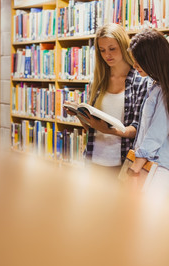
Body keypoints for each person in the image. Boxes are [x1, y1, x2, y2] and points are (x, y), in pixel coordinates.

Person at [65, 23, 148, 171]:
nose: (107, 55)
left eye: (112, 49)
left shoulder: (139, 81)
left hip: (121, 164)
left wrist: (109, 130)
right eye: (102, 50)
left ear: (123, 46)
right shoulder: (97, 81)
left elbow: (138, 128)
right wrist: (80, 115)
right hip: (93, 161)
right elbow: (92, 128)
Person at [128, 29, 169, 198]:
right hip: (148, 165)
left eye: (138, 61)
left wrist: (135, 168)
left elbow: (157, 133)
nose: (134, 66)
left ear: (152, 59)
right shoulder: (156, 85)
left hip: (158, 169)